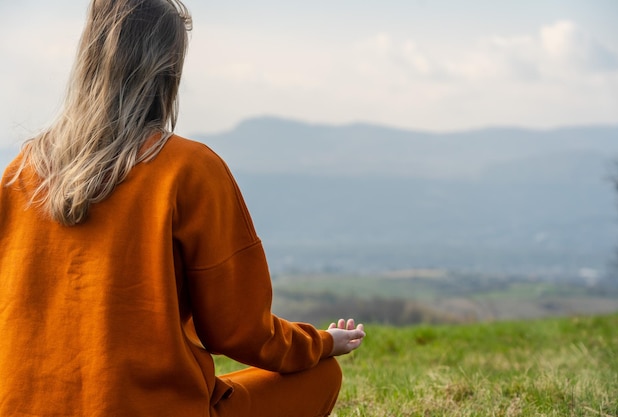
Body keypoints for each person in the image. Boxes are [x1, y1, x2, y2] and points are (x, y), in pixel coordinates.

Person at [0, 1, 366, 416]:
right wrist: (321, 343)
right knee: (322, 374)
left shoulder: (22, 171)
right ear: (168, 68)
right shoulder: (189, 170)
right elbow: (240, 331)